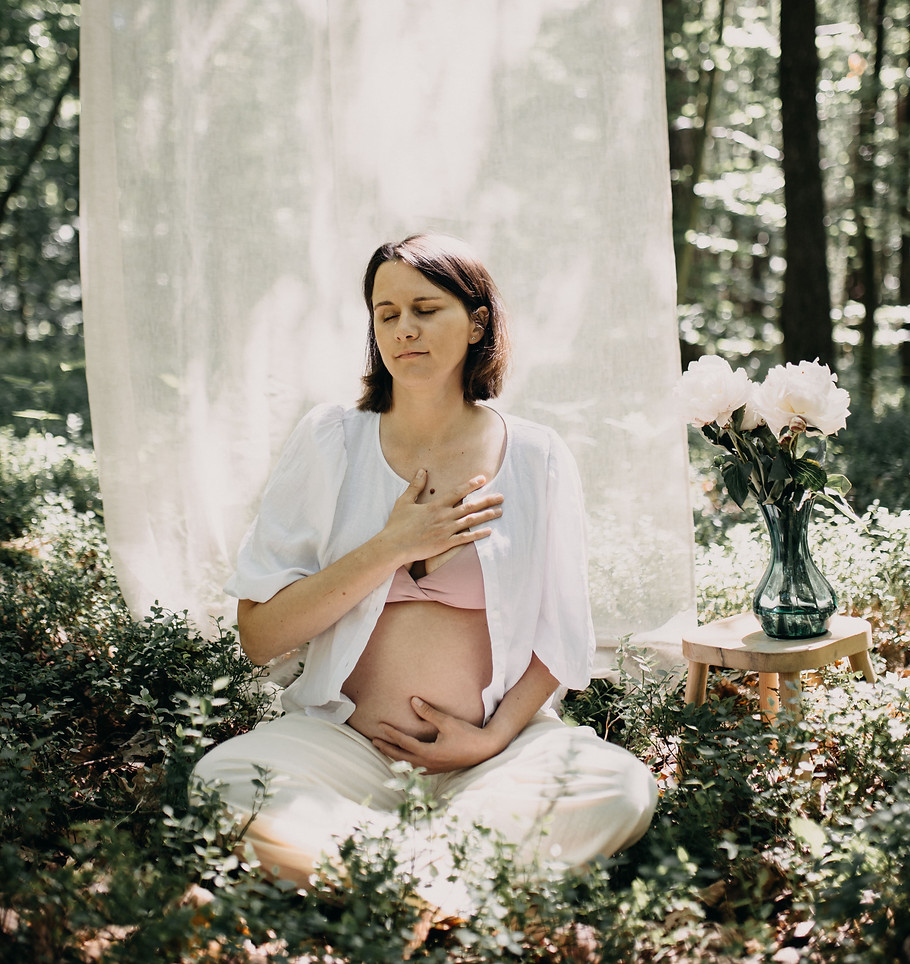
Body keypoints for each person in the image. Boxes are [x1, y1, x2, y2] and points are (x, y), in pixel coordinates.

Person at [194, 234, 657, 916]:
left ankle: (383, 875)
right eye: (385, 314)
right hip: (343, 745)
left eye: (424, 308)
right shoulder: (330, 440)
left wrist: (491, 739)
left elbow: (562, 637)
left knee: (620, 787)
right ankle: (448, 880)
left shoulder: (537, 455)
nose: (403, 328)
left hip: (497, 755)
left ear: (476, 323)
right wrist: (389, 546)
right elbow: (261, 637)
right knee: (221, 780)